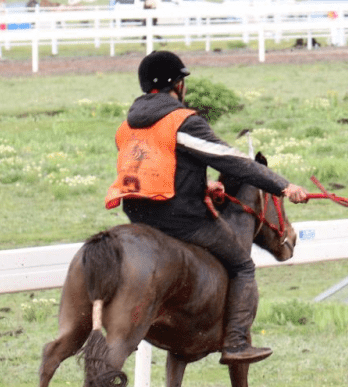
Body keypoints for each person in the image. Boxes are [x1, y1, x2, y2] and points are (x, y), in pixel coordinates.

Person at [105, 51, 310, 364]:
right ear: (177, 85)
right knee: (243, 266)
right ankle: (236, 343)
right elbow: (234, 161)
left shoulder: (126, 127)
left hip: (137, 216)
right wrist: (284, 186)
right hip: (178, 218)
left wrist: (202, 186)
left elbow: (158, 167)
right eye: (183, 80)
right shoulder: (182, 122)